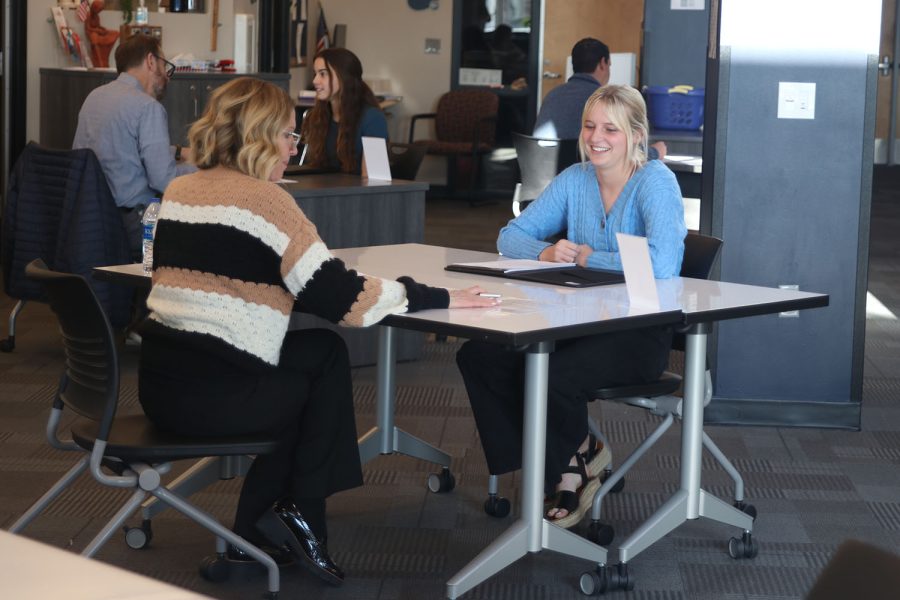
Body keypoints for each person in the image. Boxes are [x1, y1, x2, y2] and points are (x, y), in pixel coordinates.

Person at [137, 77, 498, 586]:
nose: (293, 149)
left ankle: (272, 524)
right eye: (288, 135)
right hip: (220, 397)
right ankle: (295, 513)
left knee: (317, 355)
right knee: (319, 373)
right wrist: (431, 295)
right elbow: (341, 297)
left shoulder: (179, 190)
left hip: (162, 385)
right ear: (260, 137)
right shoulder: (268, 202)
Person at [456, 84, 687, 529]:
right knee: (480, 355)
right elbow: (509, 236)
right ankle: (573, 452)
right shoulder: (575, 179)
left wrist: (587, 256)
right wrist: (544, 253)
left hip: (637, 331)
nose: (596, 137)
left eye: (610, 129)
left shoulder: (655, 181)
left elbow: (662, 264)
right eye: (589, 126)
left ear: (637, 135)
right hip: (575, 322)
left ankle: (568, 473)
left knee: (552, 375)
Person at [72, 34, 195, 260]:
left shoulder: (94, 97)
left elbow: (119, 148)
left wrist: (179, 152)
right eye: (164, 64)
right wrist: (203, 168)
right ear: (151, 61)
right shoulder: (148, 107)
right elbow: (163, 180)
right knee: (197, 240)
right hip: (136, 225)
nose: (167, 76)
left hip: (92, 221)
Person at [533, 37, 666, 160]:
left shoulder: (552, 95)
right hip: (587, 178)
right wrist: (655, 152)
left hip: (542, 176)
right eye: (609, 65)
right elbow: (624, 150)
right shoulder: (604, 100)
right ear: (603, 63)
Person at [300, 48, 388, 174]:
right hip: (326, 190)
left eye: (323, 74)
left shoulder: (373, 118)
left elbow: (374, 179)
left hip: (353, 192)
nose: (315, 81)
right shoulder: (321, 115)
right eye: (315, 74)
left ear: (344, 77)